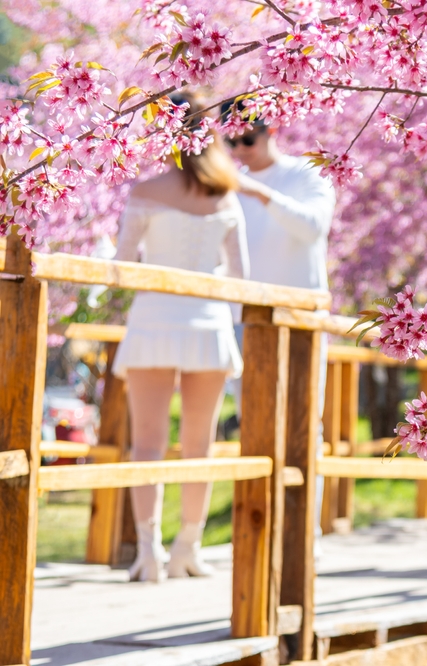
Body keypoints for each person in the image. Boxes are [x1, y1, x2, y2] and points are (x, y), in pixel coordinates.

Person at [112, 92, 249, 582]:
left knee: (146, 443)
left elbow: (123, 269)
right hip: (208, 325)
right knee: (200, 442)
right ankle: (187, 547)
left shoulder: (145, 191)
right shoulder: (226, 194)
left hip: (152, 320)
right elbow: (241, 278)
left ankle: (149, 552)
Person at [220, 101, 336, 547]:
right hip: (242, 318)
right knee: (253, 423)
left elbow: (313, 228)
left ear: (271, 132)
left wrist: (257, 191)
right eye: (231, 142)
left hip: (299, 320)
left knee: (304, 424)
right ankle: (258, 529)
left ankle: (305, 532)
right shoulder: (225, 183)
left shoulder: (306, 173)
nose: (240, 149)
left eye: (248, 139)